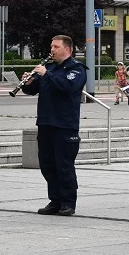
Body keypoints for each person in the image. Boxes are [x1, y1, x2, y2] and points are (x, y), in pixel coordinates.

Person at [22, 35, 87, 217]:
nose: (52, 50)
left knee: (64, 165)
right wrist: (28, 83)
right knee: (47, 164)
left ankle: (68, 202)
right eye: (51, 46)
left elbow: (68, 86)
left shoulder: (77, 69)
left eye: (56, 46)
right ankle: (55, 200)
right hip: (45, 123)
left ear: (68, 49)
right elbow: (33, 90)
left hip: (65, 125)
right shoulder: (49, 68)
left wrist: (46, 74)